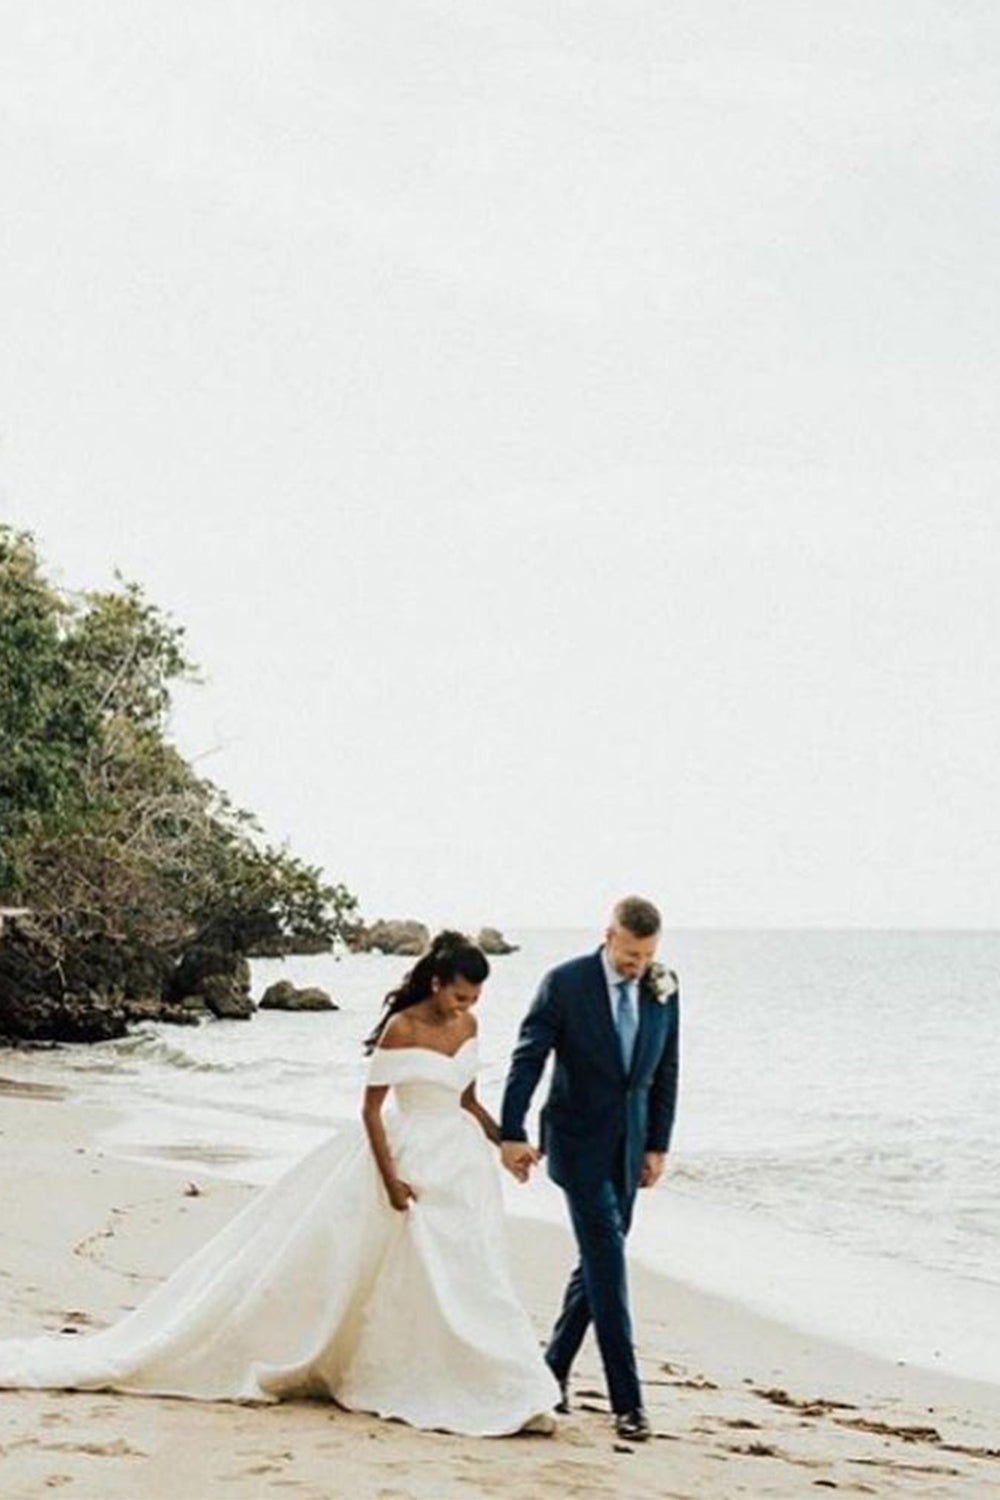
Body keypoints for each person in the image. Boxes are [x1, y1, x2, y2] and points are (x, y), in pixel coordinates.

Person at [0, 931, 560, 1437]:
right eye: (460, 996)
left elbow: (465, 1099)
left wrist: (504, 1141)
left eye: (475, 999)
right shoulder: (402, 1027)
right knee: (408, 1270)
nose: (467, 1007)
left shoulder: (469, 1025)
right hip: (407, 1157)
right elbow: (371, 1111)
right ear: (437, 983)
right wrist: (390, 1181)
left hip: (459, 1166)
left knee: (469, 1271)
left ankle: (488, 1378)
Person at [499, 896, 680, 1442]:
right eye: (629, 953)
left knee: (600, 1260)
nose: (637, 966)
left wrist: (656, 1145)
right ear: (608, 936)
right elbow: (528, 1058)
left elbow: (667, 1068)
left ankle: (551, 1368)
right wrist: (512, 1132)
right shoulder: (566, 983)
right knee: (607, 1262)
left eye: (646, 956)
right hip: (576, 1143)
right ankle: (629, 1403)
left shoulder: (664, 986)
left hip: (630, 1148)